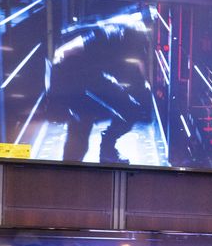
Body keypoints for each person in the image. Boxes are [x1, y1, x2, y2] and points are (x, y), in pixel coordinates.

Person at [48, 12, 154, 165]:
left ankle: (107, 150)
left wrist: (146, 84)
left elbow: (140, 61)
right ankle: (69, 167)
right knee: (81, 128)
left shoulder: (131, 42)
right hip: (72, 78)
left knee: (131, 108)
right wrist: (60, 95)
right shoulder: (104, 36)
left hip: (93, 76)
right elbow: (62, 53)